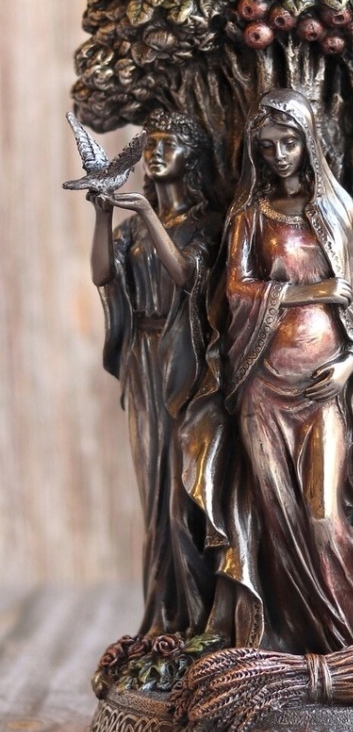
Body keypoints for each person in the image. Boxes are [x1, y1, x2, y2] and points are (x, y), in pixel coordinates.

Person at [185, 89, 353, 654]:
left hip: (324, 383)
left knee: (323, 516)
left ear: (308, 142)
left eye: (289, 142)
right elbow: (236, 288)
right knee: (277, 514)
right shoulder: (250, 216)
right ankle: (289, 646)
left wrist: (351, 363)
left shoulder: (339, 212)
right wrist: (312, 291)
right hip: (262, 384)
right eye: (267, 146)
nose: (278, 155)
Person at [89, 109, 219, 635]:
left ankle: (199, 615)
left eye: (169, 144)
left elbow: (187, 275)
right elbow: (102, 274)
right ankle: (164, 616)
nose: (156, 153)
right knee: (152, 489)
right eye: (151, 145)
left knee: (183, 491)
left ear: (192, 158)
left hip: (185, 357)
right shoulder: (131, 229)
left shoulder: (206, 225)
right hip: (143, 358)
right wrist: (103, 216)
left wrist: (146, 212)